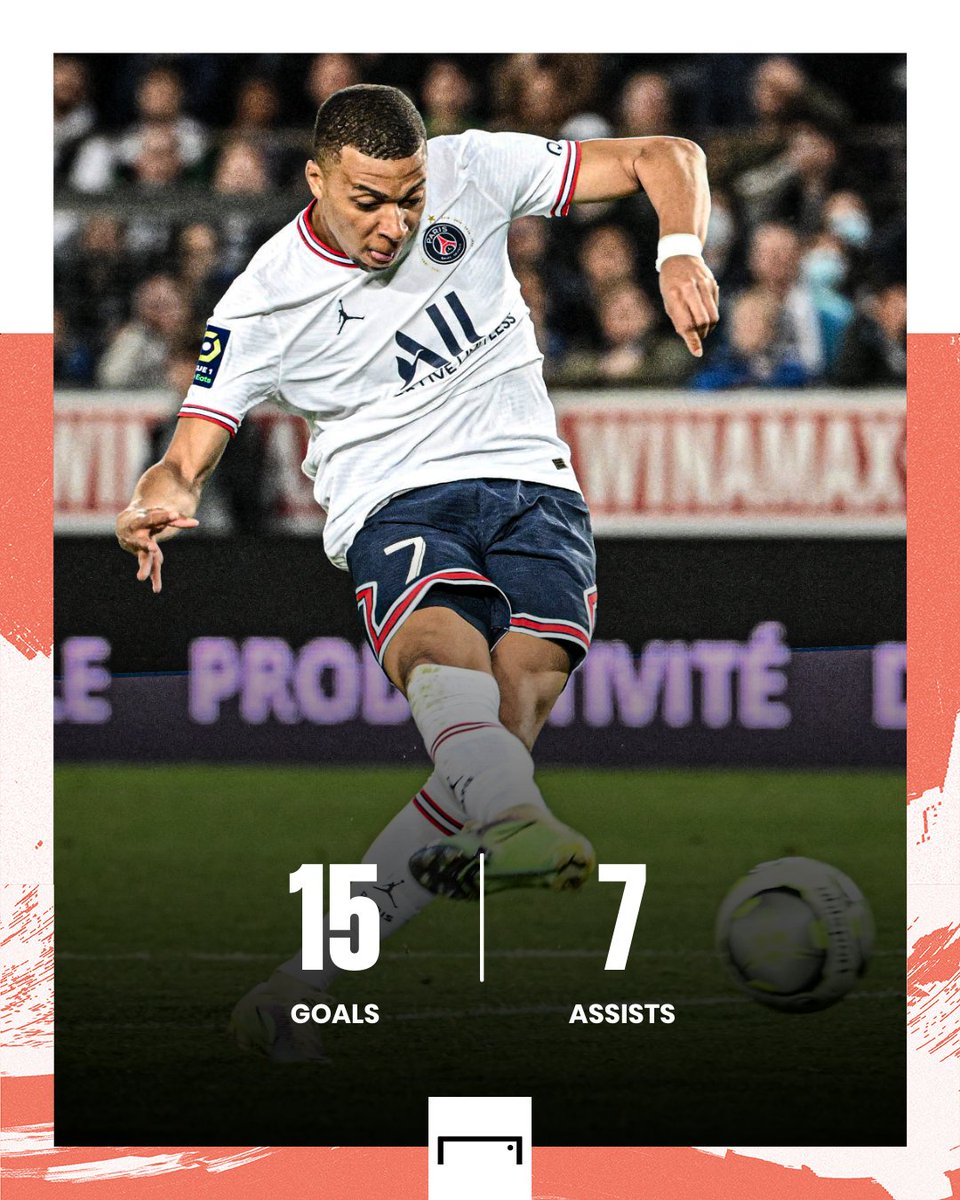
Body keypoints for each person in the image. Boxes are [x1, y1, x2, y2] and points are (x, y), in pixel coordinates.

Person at [115, 83, 717, 1060]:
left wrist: (678, 249)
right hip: (397, 498)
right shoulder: (263, 300)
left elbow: (669, 155)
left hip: (534, 486)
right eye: (368, 202)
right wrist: (160, 494)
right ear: (315, 181)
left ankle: (301, 986)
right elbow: (186, 451)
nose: (394, 224)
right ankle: (514, 817)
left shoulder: (473, 167)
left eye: (409, 197)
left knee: (498, 736)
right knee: (447, 664)